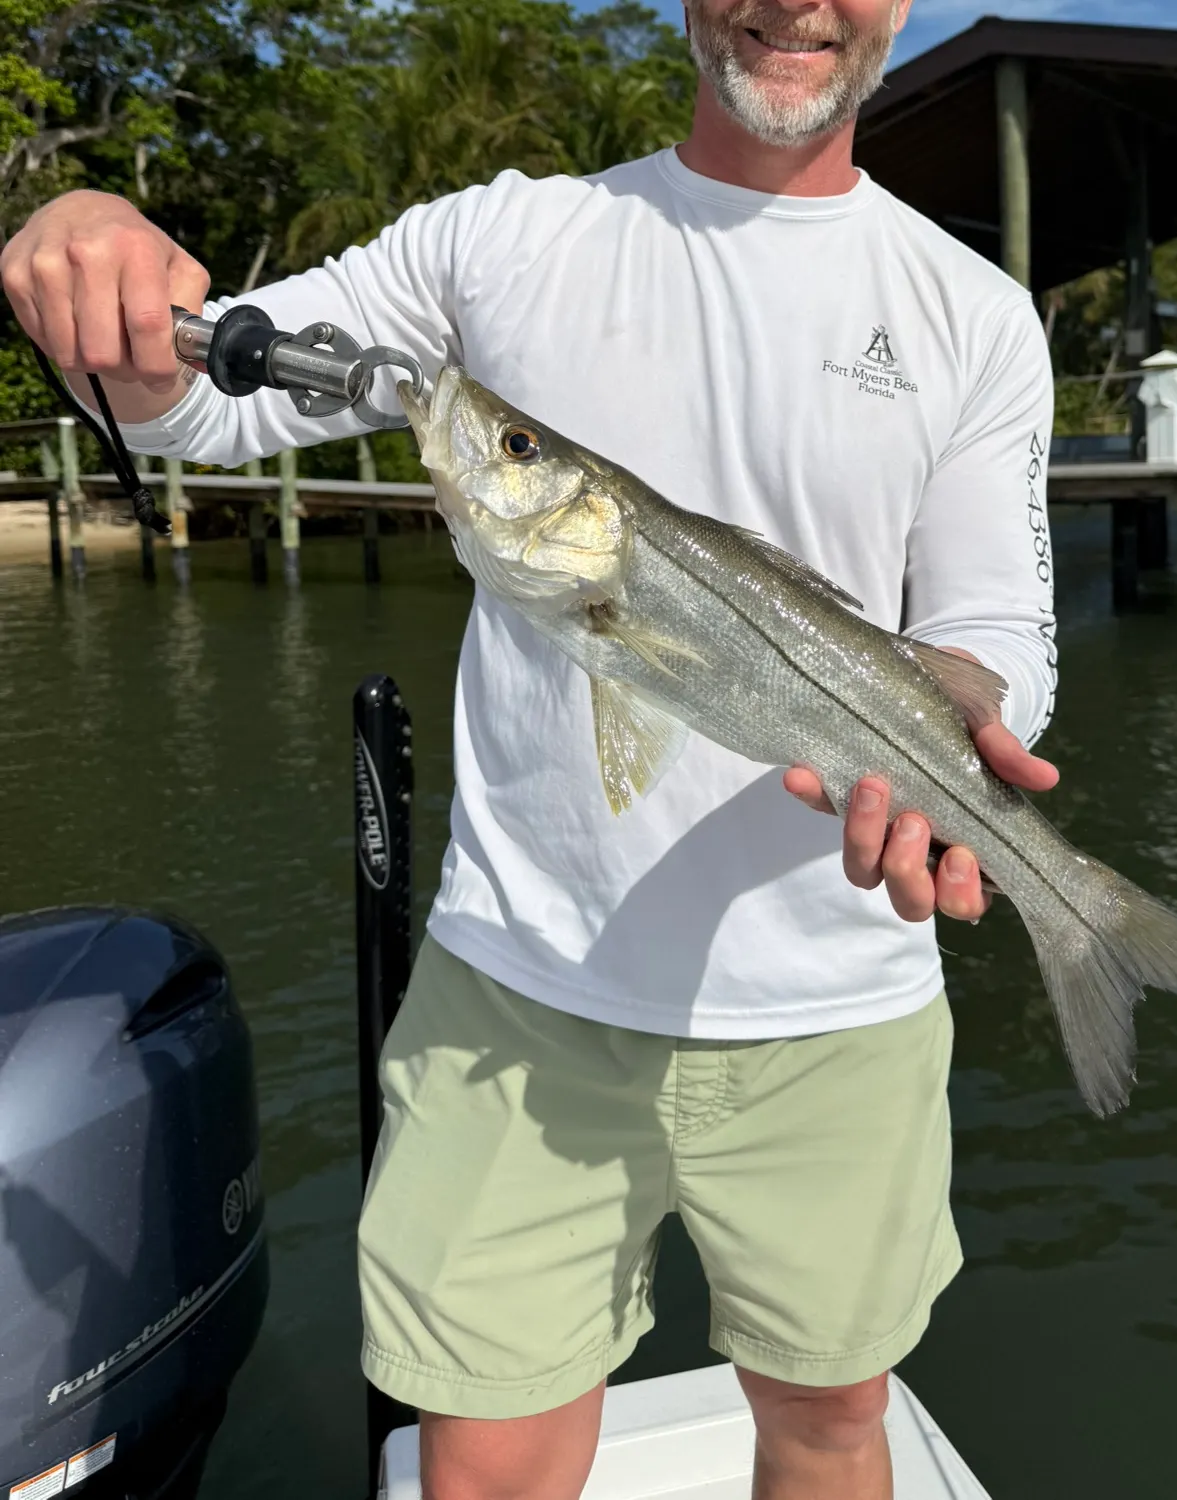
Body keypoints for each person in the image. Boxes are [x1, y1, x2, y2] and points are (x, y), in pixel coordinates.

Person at [2, 0, 1059, 1493]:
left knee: (830, 1424)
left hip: (842, 1001)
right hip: (518, 987)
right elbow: (206, 413)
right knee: (484, 1458)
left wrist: (963, 756)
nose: (798, 5)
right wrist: (91, 234)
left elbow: (998, 624)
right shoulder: (501, 240)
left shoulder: (971, 308)